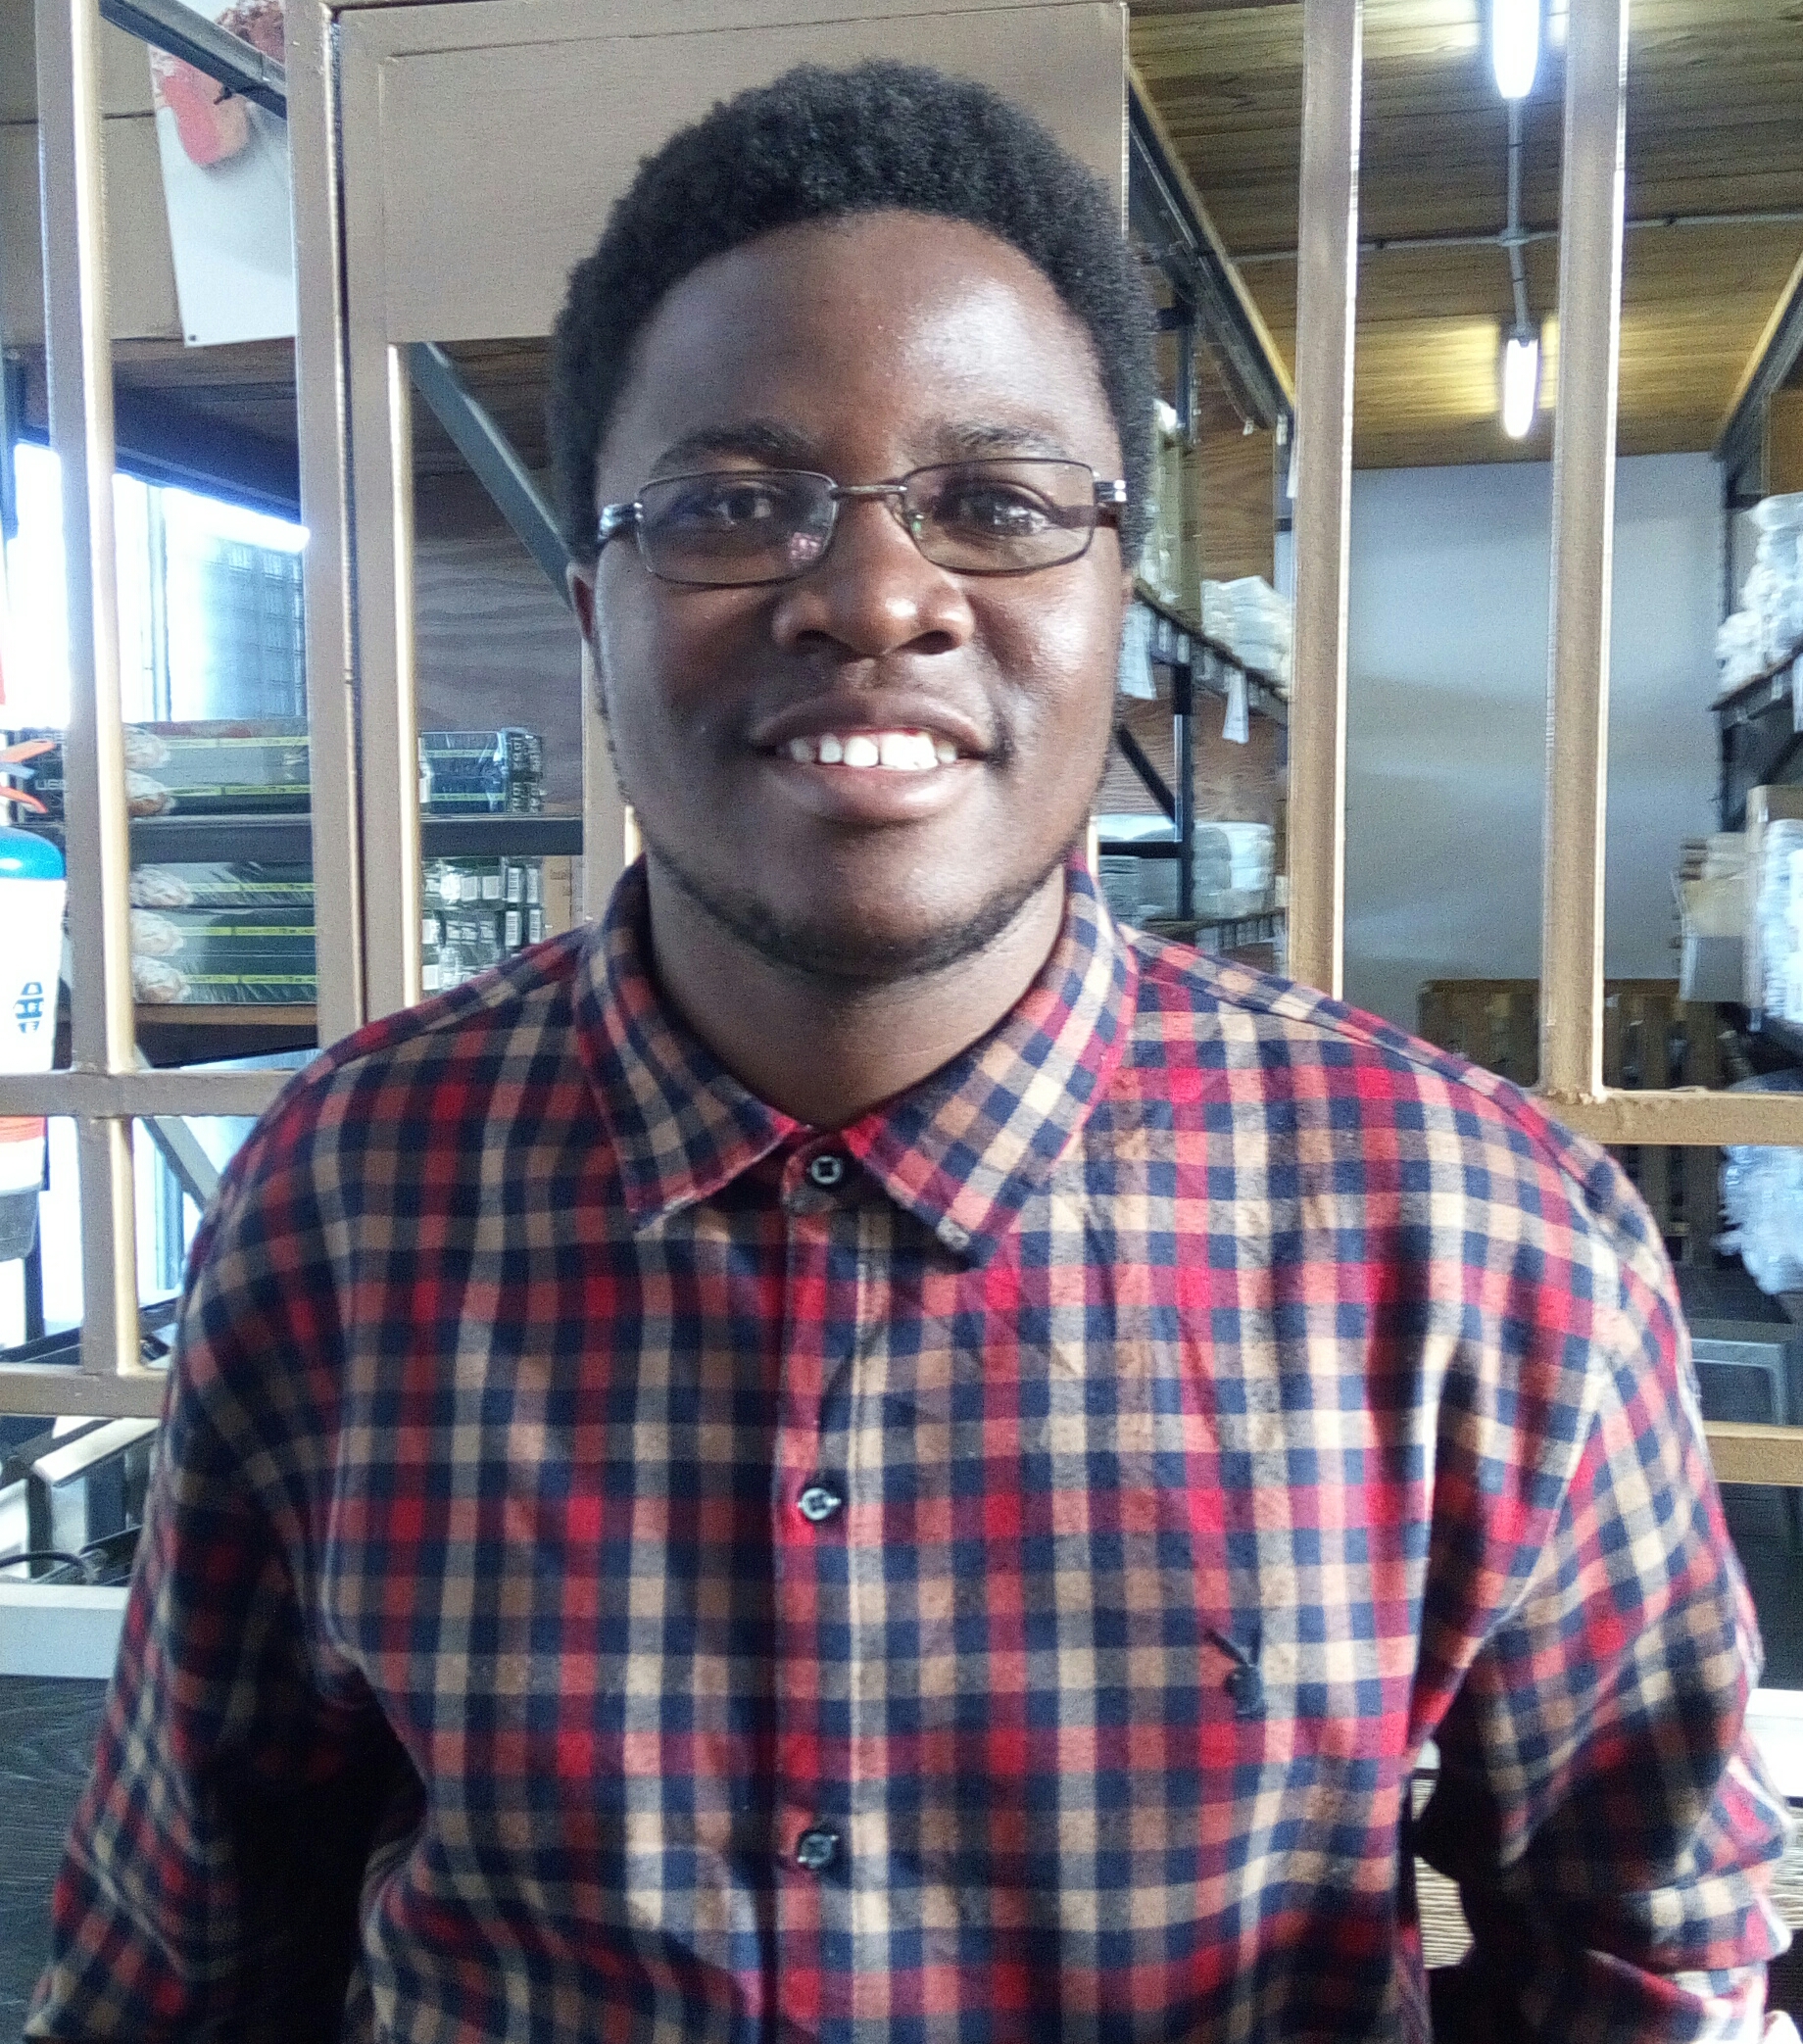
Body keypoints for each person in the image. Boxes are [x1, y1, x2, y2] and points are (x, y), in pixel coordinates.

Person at [28, 59, 1792, 2044]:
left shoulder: (1479, 1241)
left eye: (996, 504)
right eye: (732, 503)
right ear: (591, 603)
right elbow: (184, 1951)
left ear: (1113, 590)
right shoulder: (350, 1197)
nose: (874, 595)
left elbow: (1645, 1957)